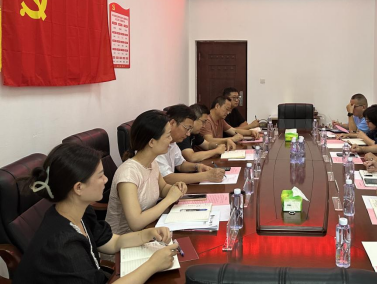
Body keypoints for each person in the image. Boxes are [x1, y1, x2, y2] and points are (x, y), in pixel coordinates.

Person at [14, 143, 179, 284]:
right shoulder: (64, 246)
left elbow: (113, 242)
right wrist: (153, 265)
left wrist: (147, 234)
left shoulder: (80, 211)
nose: (106, 179)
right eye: (100, 176)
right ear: (79, 187)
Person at [106, 110, 187, 235]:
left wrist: (176, 188)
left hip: (149, 231)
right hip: (124, 241)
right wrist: (169, 199)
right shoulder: (128, 174)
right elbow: (135, 223)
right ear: (152, 142)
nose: (171, 139)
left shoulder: (152, 163)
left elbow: (162, 188)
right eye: (168, 136)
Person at [156, 104, 225, 184]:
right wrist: (205, 176)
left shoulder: (173, 142)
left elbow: (181, 165)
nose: (188, 134)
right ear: (172, 123)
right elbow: (166, 178)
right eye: (187, 128)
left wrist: (197, 166)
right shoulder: (157, 143)